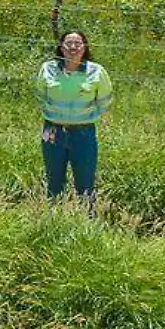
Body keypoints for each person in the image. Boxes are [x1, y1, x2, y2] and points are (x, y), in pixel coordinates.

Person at [37, 30, 111, 205]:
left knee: (85, 183)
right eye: (68, 43)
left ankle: (87, 222)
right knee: (54, 181)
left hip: (83, 133)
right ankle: (54, 220)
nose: (73, 47)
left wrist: (85, 117)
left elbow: (105, 100)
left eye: (77, 43)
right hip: (52, 131)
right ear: (61, 48)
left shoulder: (96, 71)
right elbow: (40, 96)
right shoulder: (48, 69)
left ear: (84, 47)